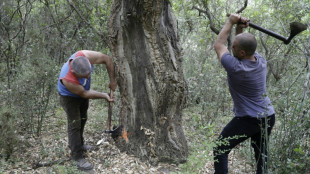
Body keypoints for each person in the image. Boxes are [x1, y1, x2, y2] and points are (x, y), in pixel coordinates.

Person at [213, 14, 275, 174]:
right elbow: (242, 46)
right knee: (262, 155)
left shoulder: (234, 67)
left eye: (233, 46)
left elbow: (219, 44)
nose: (230, 47)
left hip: (248, 119)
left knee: (220, 148)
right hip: (268, 116)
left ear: (241, 53)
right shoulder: (260, 61)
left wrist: (230, 22)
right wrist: (240, 27)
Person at [57, 50, 117, 170]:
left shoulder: (86, 56)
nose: (88, 77)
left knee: (84, 118)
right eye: (84, 76)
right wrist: (104, 95)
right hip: (69, 97)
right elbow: (84, 93)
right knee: (75, 124)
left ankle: (80, 144)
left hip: (82, 92)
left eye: (89, 73)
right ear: (74, 73)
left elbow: (107, 59)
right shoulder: (68, 79)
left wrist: (112, 80)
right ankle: (77, 156)